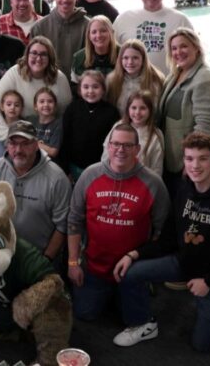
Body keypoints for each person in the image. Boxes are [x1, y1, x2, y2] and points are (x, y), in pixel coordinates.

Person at [98, 132, 210, 350]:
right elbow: (167, 239)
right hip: (183, 263)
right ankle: (143, 323)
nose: (195, 165)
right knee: (131, 272)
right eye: (189, 159)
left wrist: (209, 282)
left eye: (203, 159)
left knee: (202, 345)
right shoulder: (183, 190)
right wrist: (133, 254)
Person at [67, 123, 170, 343]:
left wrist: (143, 265)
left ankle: (133, 290)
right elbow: (74, 221)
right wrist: (73, 263)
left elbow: (161, 231)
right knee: (85, 314)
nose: (120, 150)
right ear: (108, 146)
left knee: (129, 319)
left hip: (131, 269)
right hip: (94, 265)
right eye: (115, 144)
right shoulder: (90, 175)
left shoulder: (153, 183)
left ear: (137, 149)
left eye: (127, 145)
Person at [0, 120, 71, 261]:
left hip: (38, 258)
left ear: (36, 145)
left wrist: (46, 260)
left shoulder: (57, 179)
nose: (18, 150)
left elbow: (63, 226)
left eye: (25, 143)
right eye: (13, 143)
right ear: (7, 145)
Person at [157, 28, 210, 193]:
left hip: (187, 167)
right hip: (171, 160)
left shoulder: (205, 79)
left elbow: (206, 128)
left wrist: (192, 163)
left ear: (196, 48)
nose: (178, 52)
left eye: (184, 46)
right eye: (174, 48)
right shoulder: (175, 74)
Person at [0, 37, 71, 144]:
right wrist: (8, 137)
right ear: (27, 55)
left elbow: (67, 114)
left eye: (43, 54)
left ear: (50, 58)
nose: (38, 58)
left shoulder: (60, 78)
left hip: (46, 136)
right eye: (34, 53)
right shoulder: (15, 73)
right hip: (13, 132)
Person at [113, 0, 195, 75]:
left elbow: (194, 55)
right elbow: (112, 53)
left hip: (169, 82)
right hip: (132, 83)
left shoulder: (181, 20)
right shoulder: (123, 19)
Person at [61, 71, 120, 178]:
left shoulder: (112, 112)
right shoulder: (72, 108)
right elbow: (64, 138)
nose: (90, 91)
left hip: (100, 167)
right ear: (80, 90)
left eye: (95, 87)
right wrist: (65, 168)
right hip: (74, 166)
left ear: (103, 89)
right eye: (86, 87)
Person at [30, 0, 90, 79]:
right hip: (48, 85)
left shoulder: (89, 26)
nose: (65, 0)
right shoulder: (39, 28)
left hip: (80, 85)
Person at [102, 90, 164, 177]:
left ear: (150, 110)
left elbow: (156, 167)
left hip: (141, 180)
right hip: (115, 177)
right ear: (128, 109)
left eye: (143, 108)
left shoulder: (155, 135)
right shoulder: (118, 126)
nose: (137, 112)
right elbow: (106, 153)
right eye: (134, 108)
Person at [107, 39, 165, 115]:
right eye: (126, 58)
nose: (130, 62)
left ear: (143, 59)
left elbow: (159, 112)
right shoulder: (111, 80)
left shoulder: (156, 79)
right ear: (120, 59)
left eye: (135, 58)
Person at [71, 15, 118, 84]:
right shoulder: (79, 58)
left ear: (111, 32)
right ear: (89, 36)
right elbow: (75, 86)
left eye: (103, 31)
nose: (98, 35)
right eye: (94, 32)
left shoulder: (123, 54)